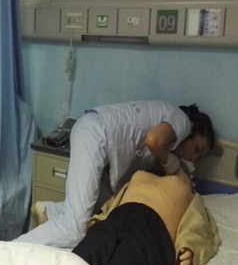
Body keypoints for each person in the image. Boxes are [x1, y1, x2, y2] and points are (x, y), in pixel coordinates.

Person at [16, 101, 214, 248]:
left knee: (104, 209)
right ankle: (7, 251)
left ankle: (50, 212)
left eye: (199, 157)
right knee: (74, 229)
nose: (193, 157)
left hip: (98, 137)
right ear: (193, 129)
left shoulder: (168, 136)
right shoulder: (182, 120)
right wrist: (173, 164)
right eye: (197, 149)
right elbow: (153, 140)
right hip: (97, 135)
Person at [72, 166, 220, 265]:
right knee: (75, 264)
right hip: (116, 219)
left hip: (151, 230)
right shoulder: (140, 175)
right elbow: (113, 202)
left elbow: (197, 222)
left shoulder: (188, 191)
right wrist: (99, 220)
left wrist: (189, 247)